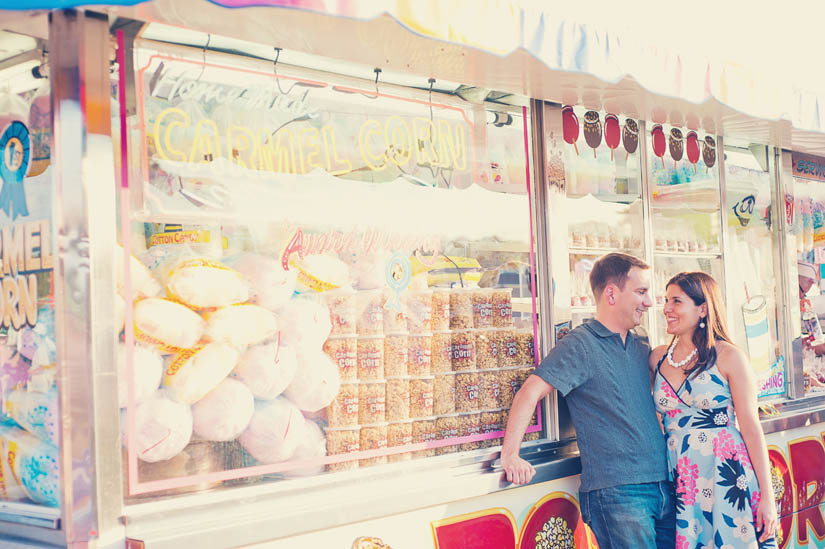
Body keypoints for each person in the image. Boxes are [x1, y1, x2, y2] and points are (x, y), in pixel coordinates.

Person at [501, 253, 675, 549]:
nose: (649, 302)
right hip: (618, 493)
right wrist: (511, 455)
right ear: (611, 293)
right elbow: (529, 392)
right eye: (641, 292)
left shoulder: (640, 342)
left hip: (662, 484)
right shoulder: (580, 344)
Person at [650, 272, 778, 548]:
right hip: (679, 477)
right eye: (665, 300)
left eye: (676, 301)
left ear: (703, 308)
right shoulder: (657, 358)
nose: (667, 309)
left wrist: (768, 497)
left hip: (725, 473)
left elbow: (751, 429)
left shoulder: (729, 356)